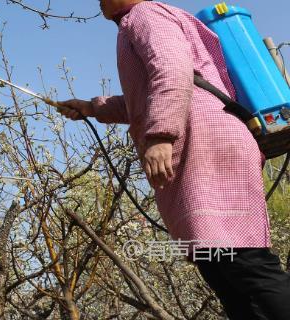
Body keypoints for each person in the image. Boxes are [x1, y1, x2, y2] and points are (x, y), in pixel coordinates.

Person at [57, 0, 290, 318]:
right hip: (207, 143)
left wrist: (160, 136)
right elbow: (147, 97)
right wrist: (92, 107)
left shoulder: (145, 14)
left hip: (205, 145)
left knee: (242, 262)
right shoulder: (138, 23)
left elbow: (172, 71)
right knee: (223, 269)